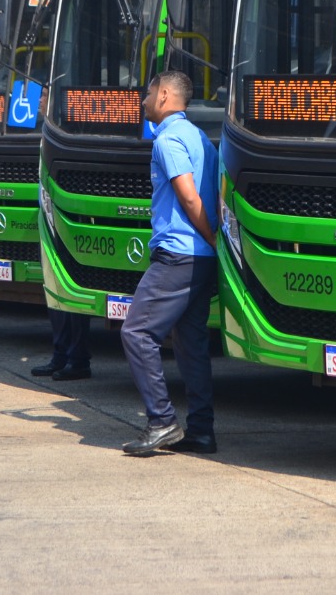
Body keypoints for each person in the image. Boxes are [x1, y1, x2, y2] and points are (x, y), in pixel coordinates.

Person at [119, 71, 220, 456]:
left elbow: (189, 197)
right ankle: (201, 431)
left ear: (164, 95)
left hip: (179, 254)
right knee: (191, 343)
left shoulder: (168, 139)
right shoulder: (199, 137)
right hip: (199, 259)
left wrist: (210, 236)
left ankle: (161, 421)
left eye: (148, 94)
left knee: (137, 332)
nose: (144, 101)